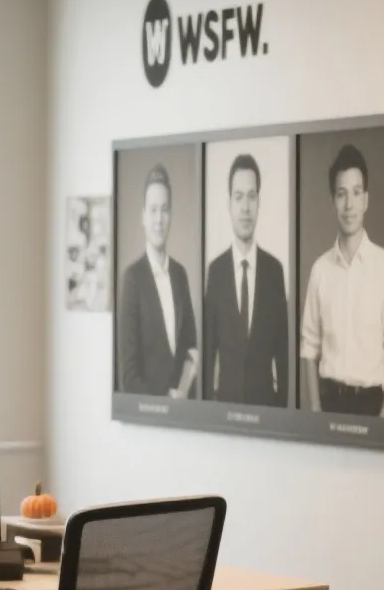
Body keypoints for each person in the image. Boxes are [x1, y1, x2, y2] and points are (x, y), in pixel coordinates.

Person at [301, 144, 384, 418]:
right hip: (329, 406)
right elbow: (309, 348)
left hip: (371, 407)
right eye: (341, 194)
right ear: (333, 202)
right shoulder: (320, 270)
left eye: (356, 193)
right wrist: (315, 412)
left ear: (366, 200)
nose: (349, 205)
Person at [202, 152, 291, 406]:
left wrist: (281, 416)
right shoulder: (215, 272)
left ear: (259, 202)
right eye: (238, 197)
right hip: (225, 415)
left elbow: (283, 360)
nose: (245, 208)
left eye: (251, 196)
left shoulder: (275, 272)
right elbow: (208, 357)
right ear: (229, 203)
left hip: (266, 413)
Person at [116, 164, 198, 397]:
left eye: (164, 209)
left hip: (184, 414)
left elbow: (191, 347)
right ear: (143, 216)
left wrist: (183, 390)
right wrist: (165, 403)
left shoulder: (180, 275)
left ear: (171, 215)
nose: (158, 219)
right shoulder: (132, 279)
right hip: (148, 419)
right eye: (153, 210)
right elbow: (129, 376)